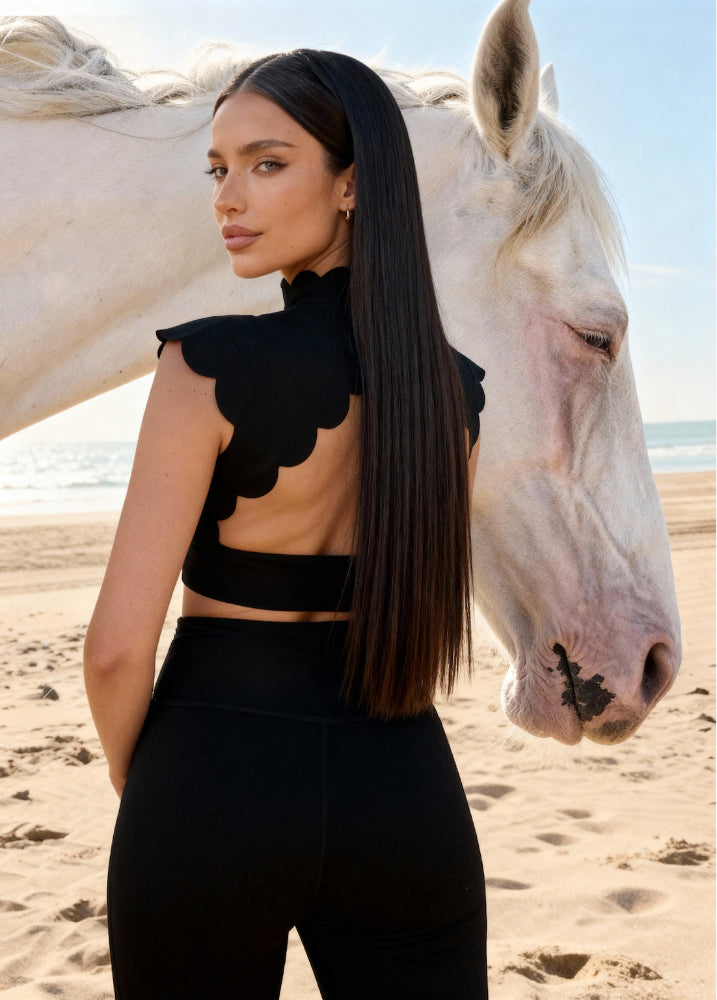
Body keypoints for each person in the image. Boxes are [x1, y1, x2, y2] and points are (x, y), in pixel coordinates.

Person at [83, 48, 487, 1000]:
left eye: (266, 164)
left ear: (351, 185)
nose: (229, 196)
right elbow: (420, 612)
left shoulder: (205, 366)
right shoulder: (457, 391)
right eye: (218, 169)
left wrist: (146, 785)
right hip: (402, 783)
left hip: (209, 776)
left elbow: (112, 653)